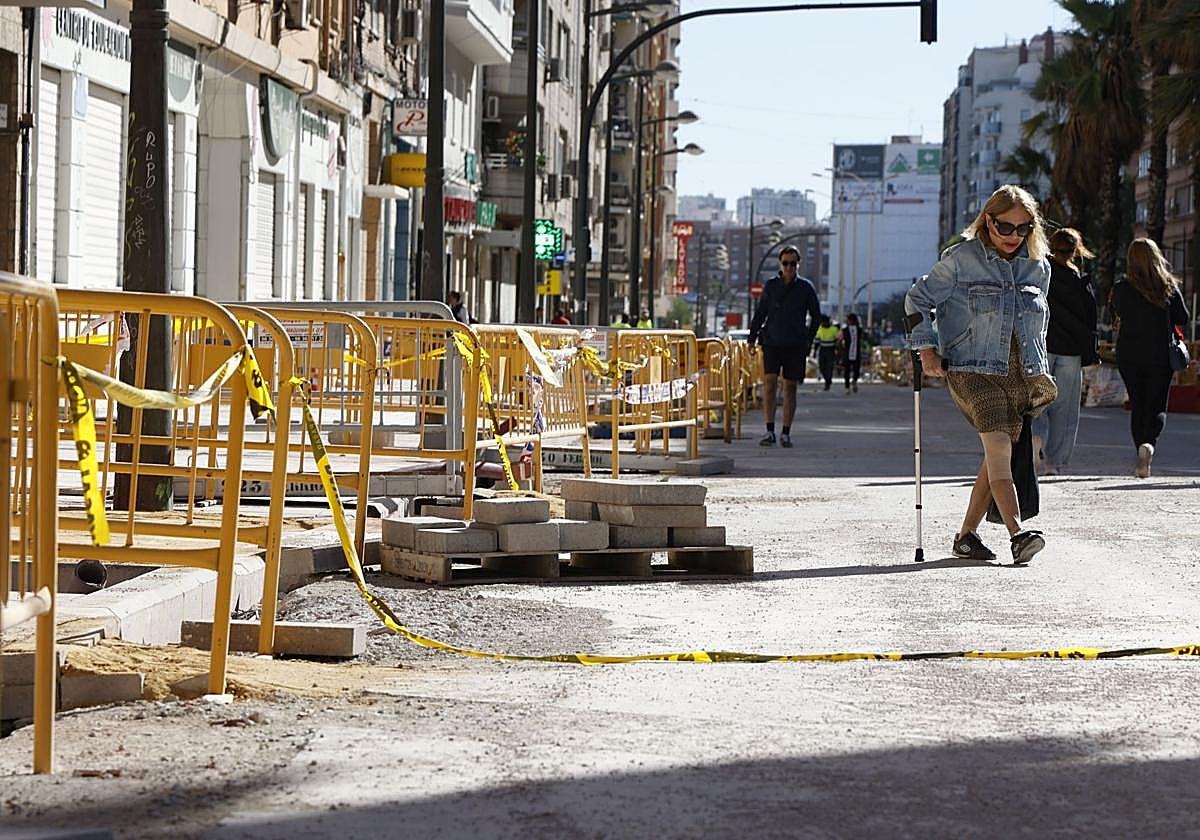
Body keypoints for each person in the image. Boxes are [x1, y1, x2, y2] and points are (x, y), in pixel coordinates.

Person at [905, 184, 1056, 566]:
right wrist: (926, 350)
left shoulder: (1039, 265)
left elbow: (1038, 324)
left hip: (1019, 375)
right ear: (988, 220)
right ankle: (1018, 535)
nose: (1014, 237)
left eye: (1023, 229)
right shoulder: (961, 259)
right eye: (1006, 227)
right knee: (1001, 451)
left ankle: (966, 536)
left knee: (994, 457)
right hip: (973, 371)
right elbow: (917, 299)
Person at [1111, 237, 1190, 478]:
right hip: (1159, 355)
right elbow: (1183, 318)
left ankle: (1140, 452)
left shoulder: (1121, 288)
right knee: (1156, 405)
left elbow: (1116, 315)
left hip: (1129, 354)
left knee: (1138, 404)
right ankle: (1149, 444)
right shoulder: (1167, 286)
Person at [1030, 228, 1098, 476]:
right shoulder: (1079, 280)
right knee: (1065, 408)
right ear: (1076, 250)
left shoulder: (1039, 272)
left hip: (1041, 347)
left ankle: (1036, 438)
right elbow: (1091, 317)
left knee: (1036, 401)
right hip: (1070, 351)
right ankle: (1053, 462)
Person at [748, 245, 821, 447]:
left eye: (793, 263)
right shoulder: (771, 286)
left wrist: (808, 339)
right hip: (771, 342)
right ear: (780, 264)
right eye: (785, 263)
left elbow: (816, 316)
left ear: (798, 265)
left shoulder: (806, 288)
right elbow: (760, 313)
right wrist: (751, 339)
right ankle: (769, 430)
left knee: (790, 388)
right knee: (769, 384)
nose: (789, 267)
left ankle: (786, 433)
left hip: (795, 345)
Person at [840, 313, 867, 393]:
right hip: (855, 352)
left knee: (848, 370)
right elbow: (864, 338)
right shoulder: (859, 329)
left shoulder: (845, 330)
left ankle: (848, 386)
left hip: (848, 352)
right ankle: (852, 382)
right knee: (855, 369)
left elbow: (840, 340)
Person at [813, 315, 840, 391]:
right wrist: (814, 351)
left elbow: (838, 340)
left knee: (829, 367)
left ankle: (827, 382)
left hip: (830, 350)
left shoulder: (834, 329)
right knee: (821, 366)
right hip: (822, 349)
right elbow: (817, 341)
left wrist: (837, 349)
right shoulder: (820, 329)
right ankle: (827, 379)